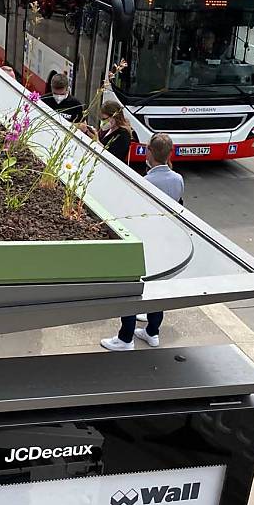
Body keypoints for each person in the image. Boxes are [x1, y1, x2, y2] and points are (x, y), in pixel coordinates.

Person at [101, 133, 182, 352]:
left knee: (132, 289)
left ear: (149, 152)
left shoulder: (145, 183)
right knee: (159, 289)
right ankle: (152, 332)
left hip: (147, 243)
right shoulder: (178, 179)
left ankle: (125, 338)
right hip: (168, 242)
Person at [94, 100, 136, 165]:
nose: (103, 122)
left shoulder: (123, 134)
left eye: (104, 119)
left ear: (114, 117)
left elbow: (112, 157)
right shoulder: (108, 129)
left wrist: (97, 141)